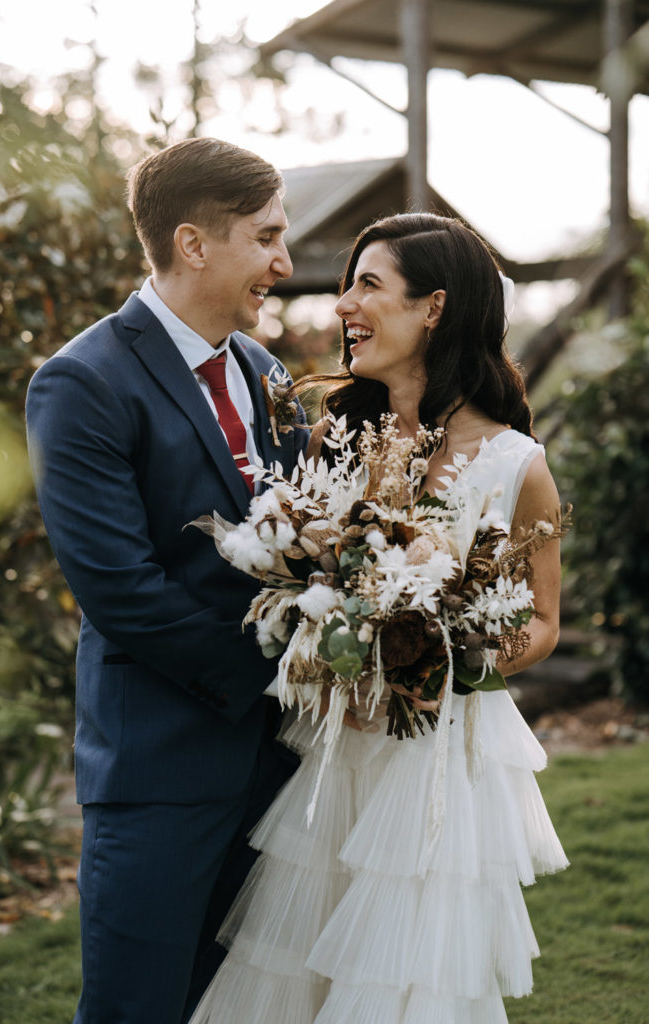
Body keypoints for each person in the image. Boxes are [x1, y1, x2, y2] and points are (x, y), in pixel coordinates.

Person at [189, 212, 569, 1023]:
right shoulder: (332, 438)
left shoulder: (513, 463)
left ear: (433, 308)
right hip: (331, 757)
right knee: (300, 966)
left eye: (368, 284)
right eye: (345, 285)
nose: (342, 306)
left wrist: (443, 658)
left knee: (401, 979)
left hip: (434, 764)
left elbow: (540, 621)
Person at [25, 136, 308, 1024]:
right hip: (159, 767)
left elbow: (310, 539)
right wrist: (284, 672)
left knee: (241, 1005)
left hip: (280, 764)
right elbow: (122, 593)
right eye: (265, 238)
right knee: (136, 1008)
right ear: (194, 244)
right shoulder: (82, 382)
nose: (283, 263)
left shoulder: (267, 374)